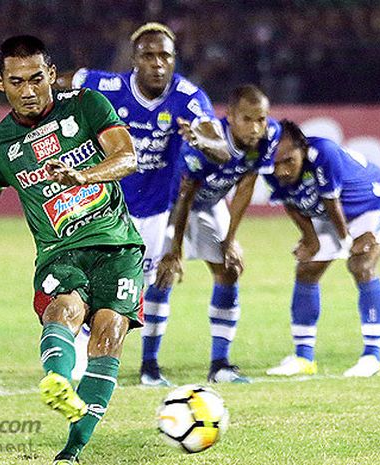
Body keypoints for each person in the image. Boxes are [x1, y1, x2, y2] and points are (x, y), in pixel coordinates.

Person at [0, 36, 144, 465]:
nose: (29, 90)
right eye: (17, 82)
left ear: (52, 75)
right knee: (64, 311)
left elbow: (127, 157)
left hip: (117, 243)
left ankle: (71, 451)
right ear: (0, 83)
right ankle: (56, 380)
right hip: (60, 250)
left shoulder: (87, 106)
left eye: (37, 79)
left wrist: (84, 177)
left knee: (108, 330)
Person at [59, 22, 227, 386]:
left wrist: (201, 139)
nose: (157, 63)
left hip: (153, 211)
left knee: (144, 288)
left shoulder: (188, 96)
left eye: (164, 55)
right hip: (104, 205)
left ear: (174, 59)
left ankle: (148, 365)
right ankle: (86, 348)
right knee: (92, 281)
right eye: (148, 55)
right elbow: (58, 81)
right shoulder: (107, 86)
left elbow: (223, 151)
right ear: (134, 59)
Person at [156, 85, 278, 383]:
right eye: (247, 119)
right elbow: (186, 194)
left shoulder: (267, 138)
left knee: (229, 271)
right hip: (170, 206)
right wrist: (175, 250)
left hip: (210, 204)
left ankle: (220, 365)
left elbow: (246, 187)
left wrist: (230, 239)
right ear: (230, 117)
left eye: (261, 119)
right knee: (161, 275)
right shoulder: (207, 140)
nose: (256, 127)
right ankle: (149, 366)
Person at [265, 120, 380, 378]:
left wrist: (349, 243)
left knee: (361, 265)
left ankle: (372, 357)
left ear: (302, 149)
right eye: (276, 164)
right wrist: (310, 238)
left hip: (373, 204)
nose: (282, 170)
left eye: (288, 161)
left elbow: (332, 201)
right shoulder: (269, 168)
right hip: (332, 215)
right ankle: (304, 358)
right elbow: (290, 202)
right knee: (306, 270)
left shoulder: (323, 153)